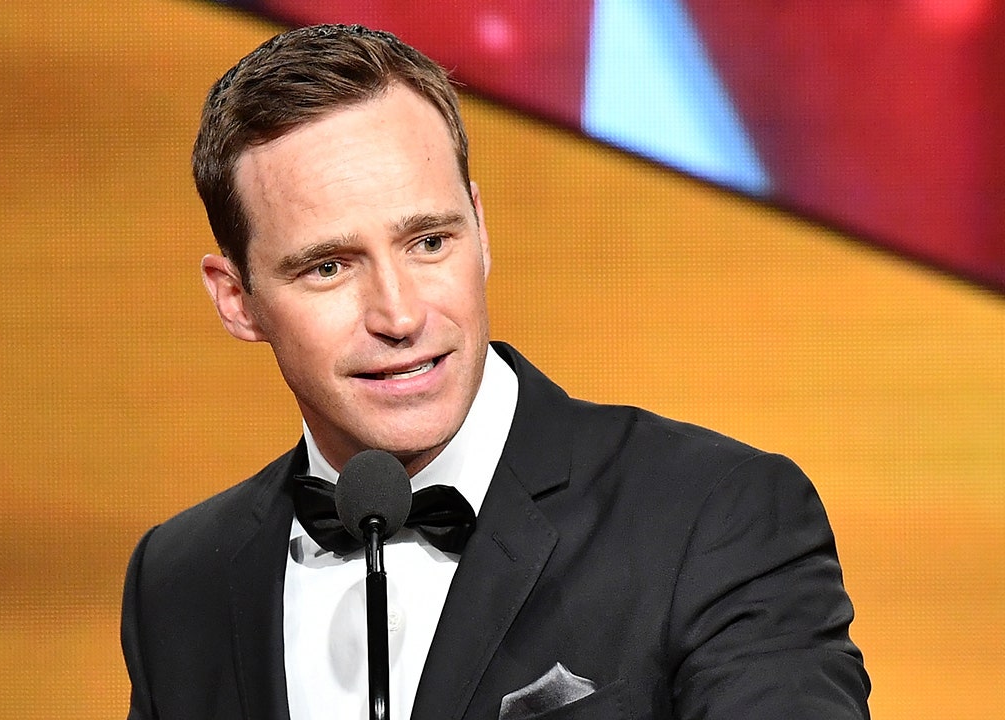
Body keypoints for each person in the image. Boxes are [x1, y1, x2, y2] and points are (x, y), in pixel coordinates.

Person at [121, 23, 870, 720]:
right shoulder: (176, 580)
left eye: (428, 242)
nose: (399, 315)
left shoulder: (713, 516)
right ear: (237, 299)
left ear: (480, 229)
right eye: (328, 267)